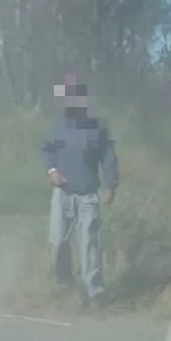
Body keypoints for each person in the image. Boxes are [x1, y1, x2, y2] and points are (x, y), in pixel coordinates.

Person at [41, 74, 119, 310]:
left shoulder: (97, 128)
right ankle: (64, 282)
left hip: (87, 194)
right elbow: (47, 149)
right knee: (58, 241)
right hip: (62, 193)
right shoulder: (56, 126)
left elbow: (108, 157)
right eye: (66, 97)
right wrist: (52, 170)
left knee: (89, 244)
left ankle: (94, 292)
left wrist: (111, 185)